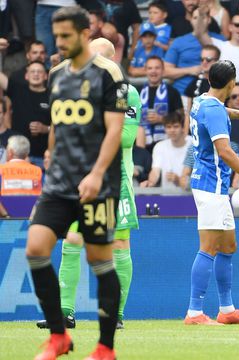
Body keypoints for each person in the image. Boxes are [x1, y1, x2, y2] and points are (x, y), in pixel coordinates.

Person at [26, 7, 128, 360]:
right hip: (60, 181)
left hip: (97, 183)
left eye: (67, 36)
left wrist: (98, 174)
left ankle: (105, 347)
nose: (61, 42)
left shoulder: (108, 74)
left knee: (100, 258)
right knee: (35, 247)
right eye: (57, 37)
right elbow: (57, 124)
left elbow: (115, 129)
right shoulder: (56, 75)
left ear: (85, 34)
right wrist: (51, 157)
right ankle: (59, 336)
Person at [35, 37, 141, 334]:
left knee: (118, 245)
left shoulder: (127, 93)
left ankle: (116, 314)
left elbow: (126, 137)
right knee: (71, 242)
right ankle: (65, 313)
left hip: (114, 180)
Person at [184, 60, 239, 325]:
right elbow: (225, 151)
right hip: (211, 185)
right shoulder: (213, 108)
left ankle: (227, 310)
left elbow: (220, 111)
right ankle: (194, 312)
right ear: (232, 83)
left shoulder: (202, 101)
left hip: (215, 186)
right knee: (208, 247)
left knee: (228, 245)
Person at [143, 112, 191, 188]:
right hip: (167, 196)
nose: (172, 130)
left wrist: (178, 180)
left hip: (191, 196)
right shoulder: (160, 146)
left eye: (176, 126)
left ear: (182, 128)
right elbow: (155, 171)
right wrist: (150, 183)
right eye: (168, 127)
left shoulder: (193, 144)